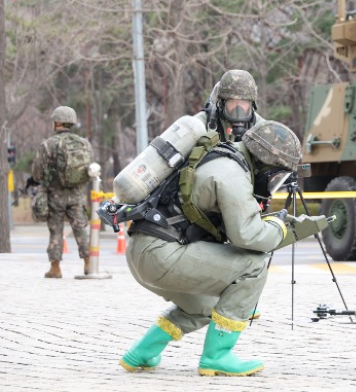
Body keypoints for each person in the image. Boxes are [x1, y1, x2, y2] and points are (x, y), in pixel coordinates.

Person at [119, 120, 301, 377]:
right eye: (275, 175)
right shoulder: (232, 175)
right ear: (264, 162)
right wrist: (279, 227)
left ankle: (142, 353)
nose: (273, 182)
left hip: (141, 251)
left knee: (204, 306)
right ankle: (217, 357)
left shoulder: (220, 156)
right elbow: (247, 235)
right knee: (253, 266)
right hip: (163, 254)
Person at [30, 106, 94, 279]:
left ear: (57, 122)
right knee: (80, 227)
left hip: (54, 195)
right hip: (76, 194)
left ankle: (55, 268)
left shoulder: (48, 144)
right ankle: (88, 263)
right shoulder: (84, 143)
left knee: (56, 230)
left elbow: (37, 173)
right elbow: (89, 169)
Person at [195, 69, 265, 143]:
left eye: (243, 103)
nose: (238, 109)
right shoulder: (202, 123)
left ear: (252, 105)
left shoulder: (261, 128)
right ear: (221, 103)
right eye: (232, 102)